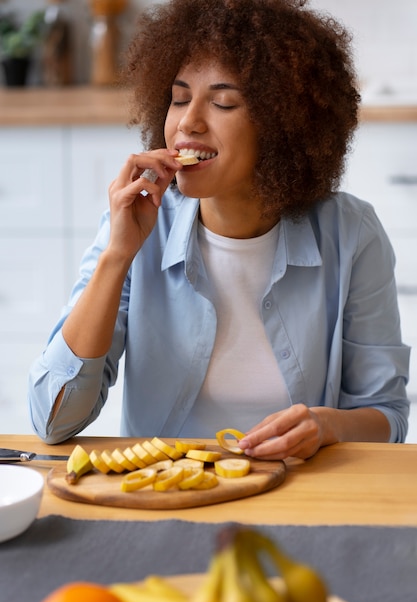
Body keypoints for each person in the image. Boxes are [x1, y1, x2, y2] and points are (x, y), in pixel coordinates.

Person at [28, 0, 410, 459]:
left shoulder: (351, 234)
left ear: (282, 124)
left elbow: (385, 417)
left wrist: (326, 426)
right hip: (168, 494)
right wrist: (116, 257)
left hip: (300, 498)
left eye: (224, 102)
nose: (188, 122)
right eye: (179, 98)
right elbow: (52, 422)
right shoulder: (137, 224)